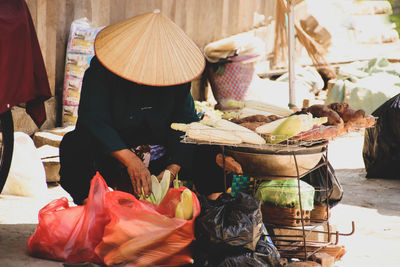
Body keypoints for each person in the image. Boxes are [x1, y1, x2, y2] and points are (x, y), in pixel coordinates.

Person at [59, 10, 235, 205]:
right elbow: (92, 119)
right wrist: (130, 159)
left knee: (212, 152)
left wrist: (171, 170)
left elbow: (186, 122)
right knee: (74, 145)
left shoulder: (176, 76)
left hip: (162, 157)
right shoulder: (102, 71)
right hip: (113, 154)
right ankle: (93, 209)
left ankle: (213, 211)